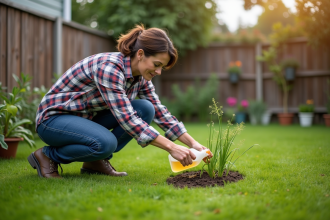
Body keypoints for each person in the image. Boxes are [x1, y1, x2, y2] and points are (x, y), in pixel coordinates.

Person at [27, 24, 212, 178]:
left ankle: (94, 162)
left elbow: (160, 111)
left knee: (146, 108)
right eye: (156, 65)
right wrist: (171, 147)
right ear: (140, 54)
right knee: (105, 143)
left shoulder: (140, 77)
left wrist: (193, 144)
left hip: (84, 118)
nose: (158, 72)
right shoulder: (110, 68)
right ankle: (47, 156)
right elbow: (128, 119)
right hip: (53, 120)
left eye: (162, 67)